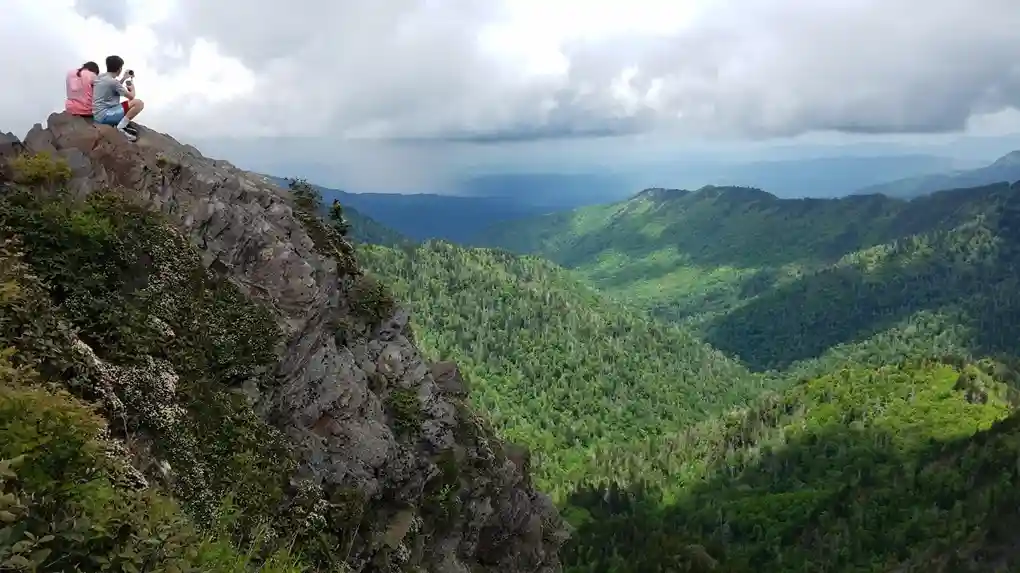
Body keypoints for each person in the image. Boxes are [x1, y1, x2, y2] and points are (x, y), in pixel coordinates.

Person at [92, 55, 144, 142]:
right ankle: (121, 128)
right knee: (138, 103)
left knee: (130, 103)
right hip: (105, 116)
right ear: (119, 69)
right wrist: (132, 88)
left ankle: (119, 124)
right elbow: (131, 96)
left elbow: (113, 88)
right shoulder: (113, 82)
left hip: (97, 114)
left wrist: (124, 78)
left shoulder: (101, 77)